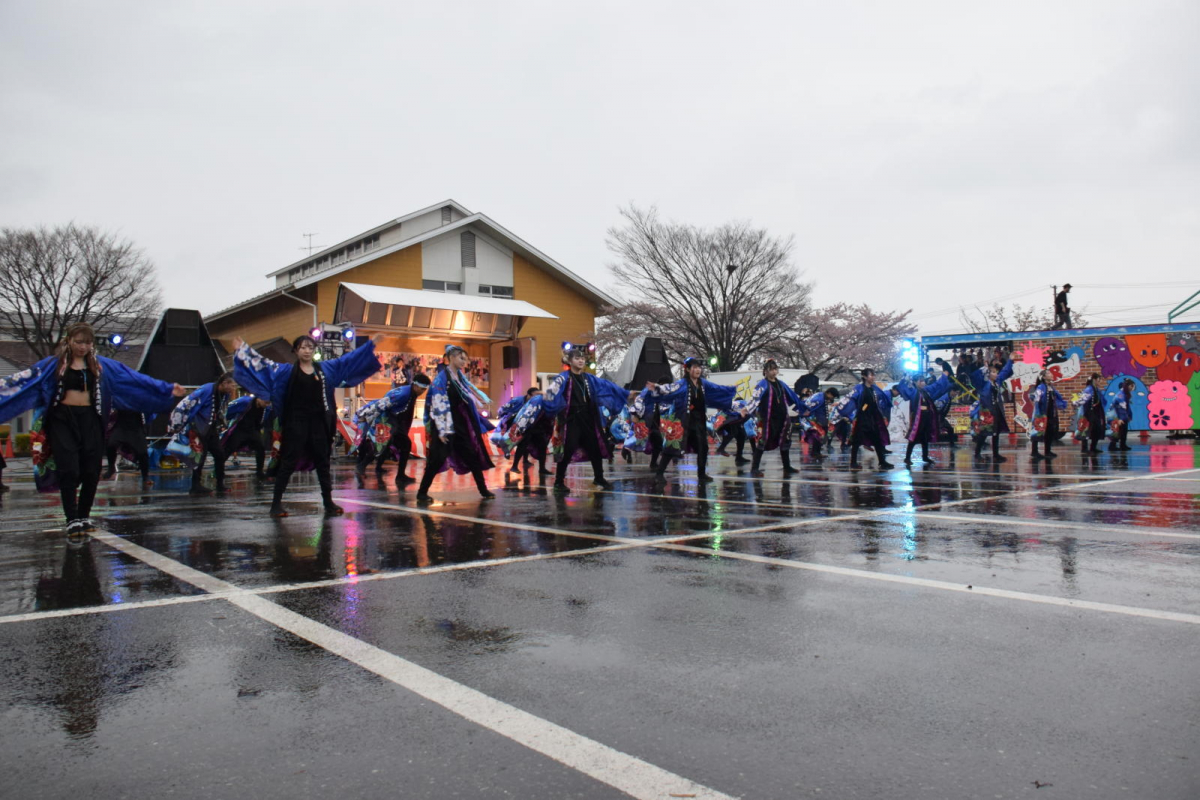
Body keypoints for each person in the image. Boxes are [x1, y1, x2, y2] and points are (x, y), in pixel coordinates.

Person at [0, 322, 185, 536]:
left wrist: (167, 388)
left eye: (87, 342)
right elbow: (22, 381)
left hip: (91, 419)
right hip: (62, 420)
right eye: (78, 342)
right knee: (68, 468)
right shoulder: (53, 365)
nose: (83, 347)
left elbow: (134, 379)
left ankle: (84, 517)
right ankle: (72, 519)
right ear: (68, 341)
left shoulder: (102, 366)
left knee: (91, 469)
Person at [233, 333, 382, 517]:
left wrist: (370, 345)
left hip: (319, 423)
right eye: (303, 347)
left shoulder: (325, 369)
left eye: (310, 347)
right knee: (288, 461)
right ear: (296, 350)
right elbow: (263, 364)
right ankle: (276, 504)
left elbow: (347, 360)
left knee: (323, 462)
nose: (307, 350)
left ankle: (328, 502)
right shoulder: (285, 371)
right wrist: (244, 351)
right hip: (296, 423)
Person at [416, 345, 495, 503]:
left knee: (472, 456)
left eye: (465, 359)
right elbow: (437, 404)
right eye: (461, 358)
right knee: (437, 459)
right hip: (445, 426)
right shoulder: (442, 379)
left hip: (460, 425)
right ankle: (422, 492)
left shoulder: (460, 377)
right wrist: (442, 430)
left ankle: (483, 489)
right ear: (450, 357)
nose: (464, 361)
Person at [647, 357, 736, 484]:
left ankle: (701, 474)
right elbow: (671, 388)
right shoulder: (683, 383)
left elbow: (716, 388)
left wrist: (730, 389)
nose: (698, 370)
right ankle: (659, 473)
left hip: (699, 420)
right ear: (688, 369)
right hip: (683, 420)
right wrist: (657, 387)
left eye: (699, 367)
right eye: (694, 367)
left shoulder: (702, 383)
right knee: (673, 446)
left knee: (703, 447)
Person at [168, 371, 241, 495]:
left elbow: (221, 411)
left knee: (219, 454)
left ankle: (219, 483)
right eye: (232, 385)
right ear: (224, 383)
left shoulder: (224, 394)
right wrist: (175, 424)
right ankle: (195, 486)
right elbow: (185, 404)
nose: (234, 388)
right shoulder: (206, 389)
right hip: (198, 428)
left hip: (210, 429)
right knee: (199, 457)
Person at [353, 372, 430, 487]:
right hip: (386, 420)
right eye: (421, 388)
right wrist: (365, 415)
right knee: (382, 445)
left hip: (395, 422)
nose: (422, 391)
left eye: (425, 389)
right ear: (415, 385)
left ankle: (399, 475)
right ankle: (362, 466)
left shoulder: (412, 393)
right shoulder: (403, 394)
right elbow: (382, 403)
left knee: (402, 445)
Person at [742, 359, 802, 477]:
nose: (774, 372)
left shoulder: (781, 384)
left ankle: (787, 466)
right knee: (762, 441)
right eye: (771, 369)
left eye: (775, 369)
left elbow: (793, 397)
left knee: (785, 440)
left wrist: (802, 408)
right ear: (765, 371)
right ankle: (754, 468)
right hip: (767, 418)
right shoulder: (762, 384)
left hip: (783, 417)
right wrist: (746, 409)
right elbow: (755, 398)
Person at [895, 366, 953, 466]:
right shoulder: (913, 391)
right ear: (915, 382)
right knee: (913, 438)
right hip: (918, 418)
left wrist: (944, 376)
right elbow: (903, 388)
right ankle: (907, 458)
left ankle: (925, 456)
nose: (923, 383)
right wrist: (905, 378)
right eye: (920, 381)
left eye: (923, 381)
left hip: (926, 417)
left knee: (925, 437)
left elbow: (937, 385)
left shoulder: (925, 390)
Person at [846, 368, 893, 469]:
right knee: (857, 441)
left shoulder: (873, 389)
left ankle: (882, 461)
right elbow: (852, 401)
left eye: (873, 375)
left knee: (877, 440)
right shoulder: (859, 388)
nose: (873, 377)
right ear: (864, 376)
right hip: (862, 419)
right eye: (871, 375)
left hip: (873, 418)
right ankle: (853, 463)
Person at [969, 358, 1014, 461]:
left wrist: (1010, 361)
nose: (996, 374)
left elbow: (1004, 372)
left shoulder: (997, 382)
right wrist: (984, 368)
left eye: (996, 372)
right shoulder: (983, 384)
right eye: (993, 372)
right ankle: (977, 453)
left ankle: (996, 454)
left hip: (996, 409)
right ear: (988, 374)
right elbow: (974, 376)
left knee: (996, 432)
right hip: (987, 411)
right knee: (984, 432)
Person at [222, 395, 269, 480]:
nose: (267, 405)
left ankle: (259, 472)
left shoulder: (265, 409)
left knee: (261, 448)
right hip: (240, 429)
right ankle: (218, 470)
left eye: (268, 403)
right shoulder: (245, 401)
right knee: (229, 449)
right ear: (259, 398)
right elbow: (228, 410)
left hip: (253, 430)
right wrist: (225, 422)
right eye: (265, 402)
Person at [103, 410, 153, 487]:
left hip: (136, 427)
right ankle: (111, 468)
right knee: (111, 445)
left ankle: (145, 476)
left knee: (142, 452)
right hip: (121, 426)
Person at [1029, 371, 1067, 460]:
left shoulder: (1050, 387)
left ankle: (1048, 450)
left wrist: (1061, 405)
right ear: (1044, 377)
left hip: (1050, 412)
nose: (1051, 374)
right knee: (1038, 431)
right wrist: (1035, 399)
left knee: (1049, 431)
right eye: (1049, 373)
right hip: (1042, 413)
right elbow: (1036, 397)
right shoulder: (1041, 387)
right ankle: (1034, 451)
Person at [798, 387, 840, 459]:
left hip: (818, 418)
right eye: (832, 396)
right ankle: (815, 453)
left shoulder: (821, 396)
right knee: (818, 435)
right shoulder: (818, 399)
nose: (832, 398)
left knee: (820, 435)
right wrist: (814, 421)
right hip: (811, 419)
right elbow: (808, 410)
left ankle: (817, 452)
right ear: (829, 393)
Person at [1073, 373, 1106, 454]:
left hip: (1095, 412)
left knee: (1097, 429)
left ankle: (1093, 447)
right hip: (1088, 412)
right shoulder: (1089, 389)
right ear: (1094, 380)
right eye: (1099, 379)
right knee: (1085, 429)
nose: (1100, 381)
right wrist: (1076, 403)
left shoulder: (1097, 389)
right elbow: (1082, 399)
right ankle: (1084, 449)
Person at [712, 398, 749, 464]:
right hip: (732, 420)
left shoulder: (735, 404)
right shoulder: (745, 404)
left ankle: (739, 457)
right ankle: (721, 449)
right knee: (733, 433)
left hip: (731, 419)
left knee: (741, 436)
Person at [1107, 378, 1134, 452]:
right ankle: (1113, 446)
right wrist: (1121, 418)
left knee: (1122, 431)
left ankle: (1122, 445)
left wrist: (1129, 416)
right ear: (1128, 386)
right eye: (1132, 386)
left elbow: (1126, 407)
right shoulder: (1121, 395)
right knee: (1118, 431)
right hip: (1117, 416)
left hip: (1121, 415)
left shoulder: (1123, 394)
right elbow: (1121, 407)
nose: (1132, 388)